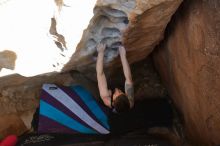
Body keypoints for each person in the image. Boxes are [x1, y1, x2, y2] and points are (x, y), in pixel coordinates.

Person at [96, 43, 134, 113]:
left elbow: (100, 74)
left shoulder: (106, 98)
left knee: (90, 86)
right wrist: (123, 55)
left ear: (113, 101)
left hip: (104, 93)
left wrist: (101, 52)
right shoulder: (129, 101)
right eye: (121, 92)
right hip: (122, 100)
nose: (117, 90)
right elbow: (128, 78)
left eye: (116, 93)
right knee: (128, 79)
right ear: (126, 95)